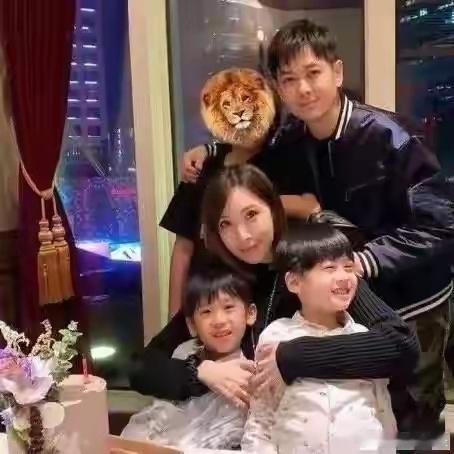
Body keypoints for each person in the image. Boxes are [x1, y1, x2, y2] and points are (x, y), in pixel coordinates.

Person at [182, 19, 454, 436]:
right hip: (345, 290)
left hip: (413, 295)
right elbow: (252, 151)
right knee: (353, 406)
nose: (304, 89)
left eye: (313, 73)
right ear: (279, 87)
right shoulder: (292, 137)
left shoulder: (392, 138)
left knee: (412, 411)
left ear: (337, 72)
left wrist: (362, 260)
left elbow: (441, 224)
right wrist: (211, 149)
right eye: (289, 79)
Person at [129, 165, 419, 418]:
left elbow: (400, 345)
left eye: (251, 214)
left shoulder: (312, 262)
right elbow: (141, 368)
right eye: (226, 224)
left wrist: (291, 356)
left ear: (273, 208)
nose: (242, 235)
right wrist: (201, 371)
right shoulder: (222, 281)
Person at [161, 68, 319, 317]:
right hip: (206, 299)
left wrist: (257, 206)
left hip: (261, 299)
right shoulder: (203, 166)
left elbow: (310, 206)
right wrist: (175, 317)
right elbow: (183, 248)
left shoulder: (283, 161)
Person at [242, 223, 397, 454]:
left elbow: (383, 411)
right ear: (294, 282)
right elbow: (261, 417)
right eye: (329, 268)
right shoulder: (277, 335)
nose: (344, 276)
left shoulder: (364, 338)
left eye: (348, 267)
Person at [122, 267, 257, 450]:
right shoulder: (184, 351)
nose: (219, 320)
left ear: (250, 314)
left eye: (228, 307)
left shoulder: (250, 370)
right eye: (206, 311)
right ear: (192, 324)